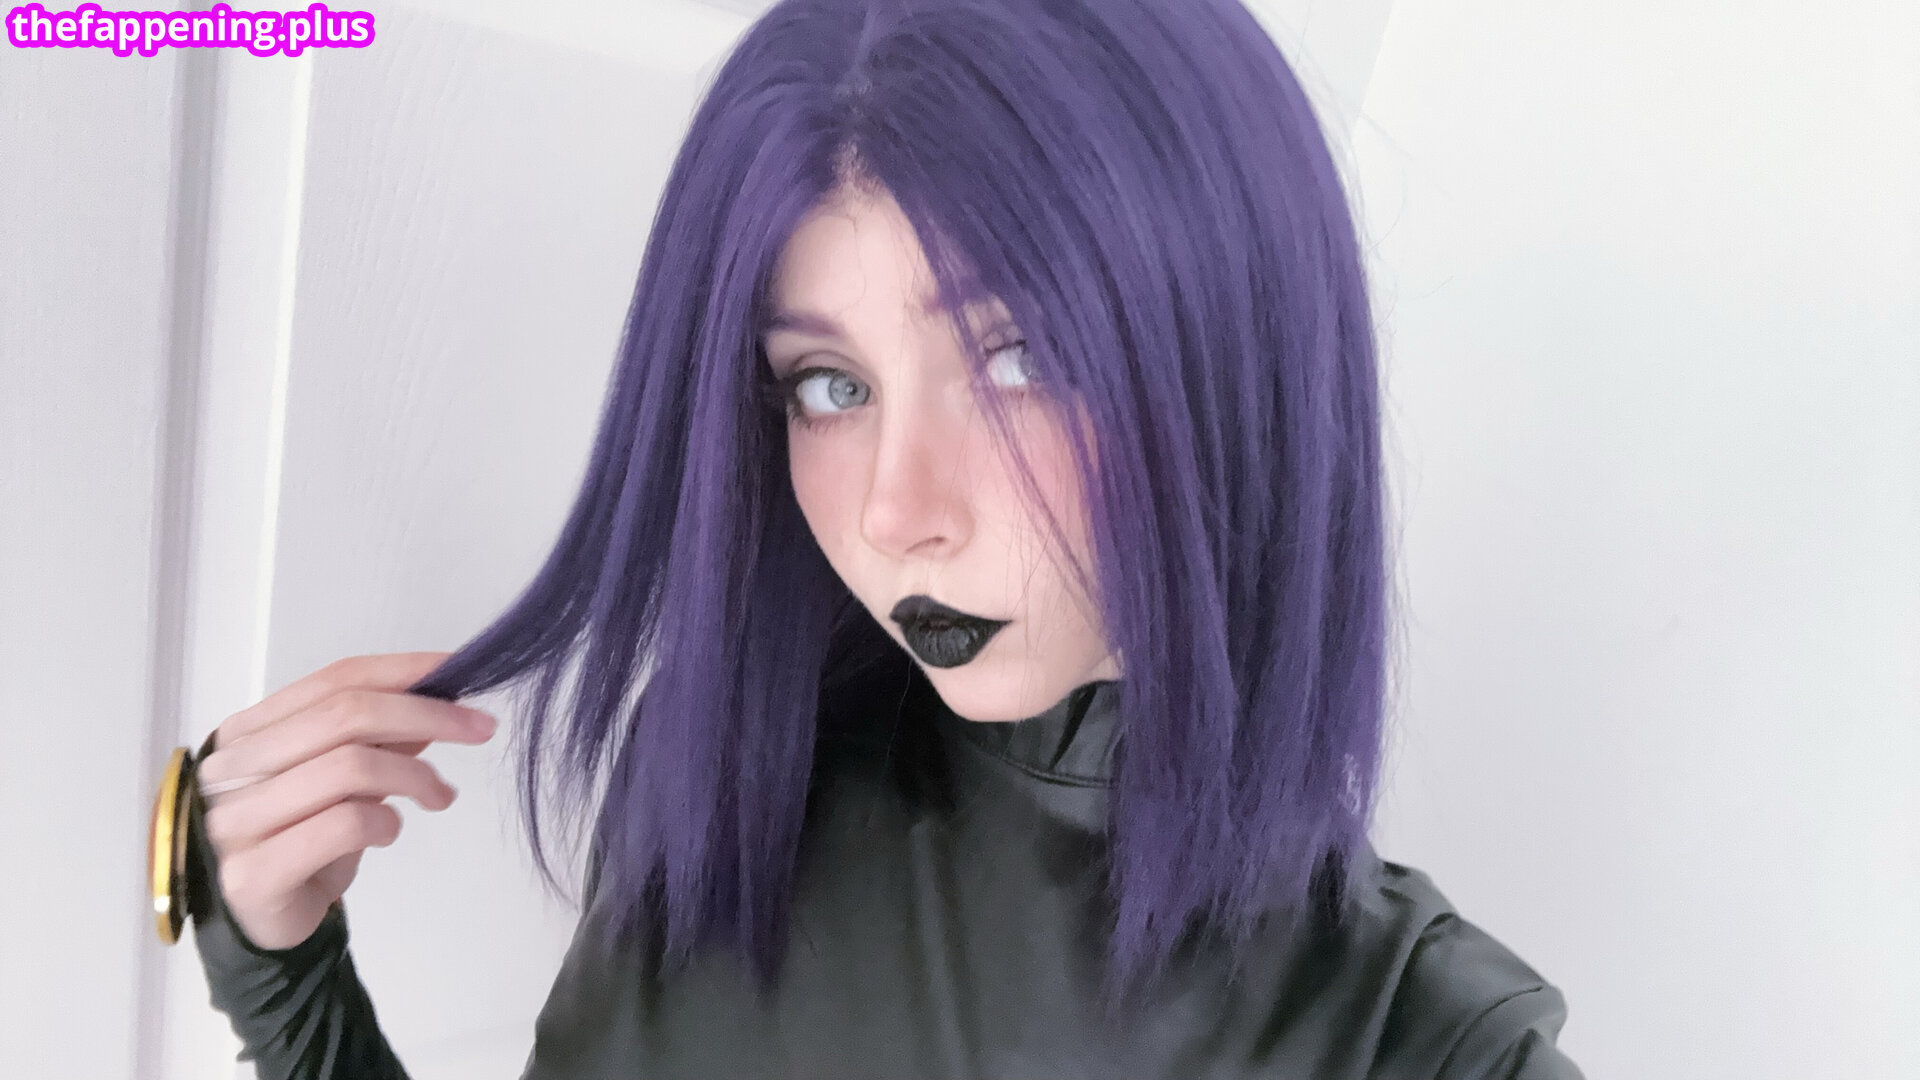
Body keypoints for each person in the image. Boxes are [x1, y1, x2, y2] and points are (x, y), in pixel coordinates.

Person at [176, 0, 1588, 1076]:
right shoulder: (730, 781)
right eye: (829, 385)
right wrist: (286, 986)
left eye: (1025, 357)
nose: (894, 511)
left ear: (1235, 354)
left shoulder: (1426, 1048)